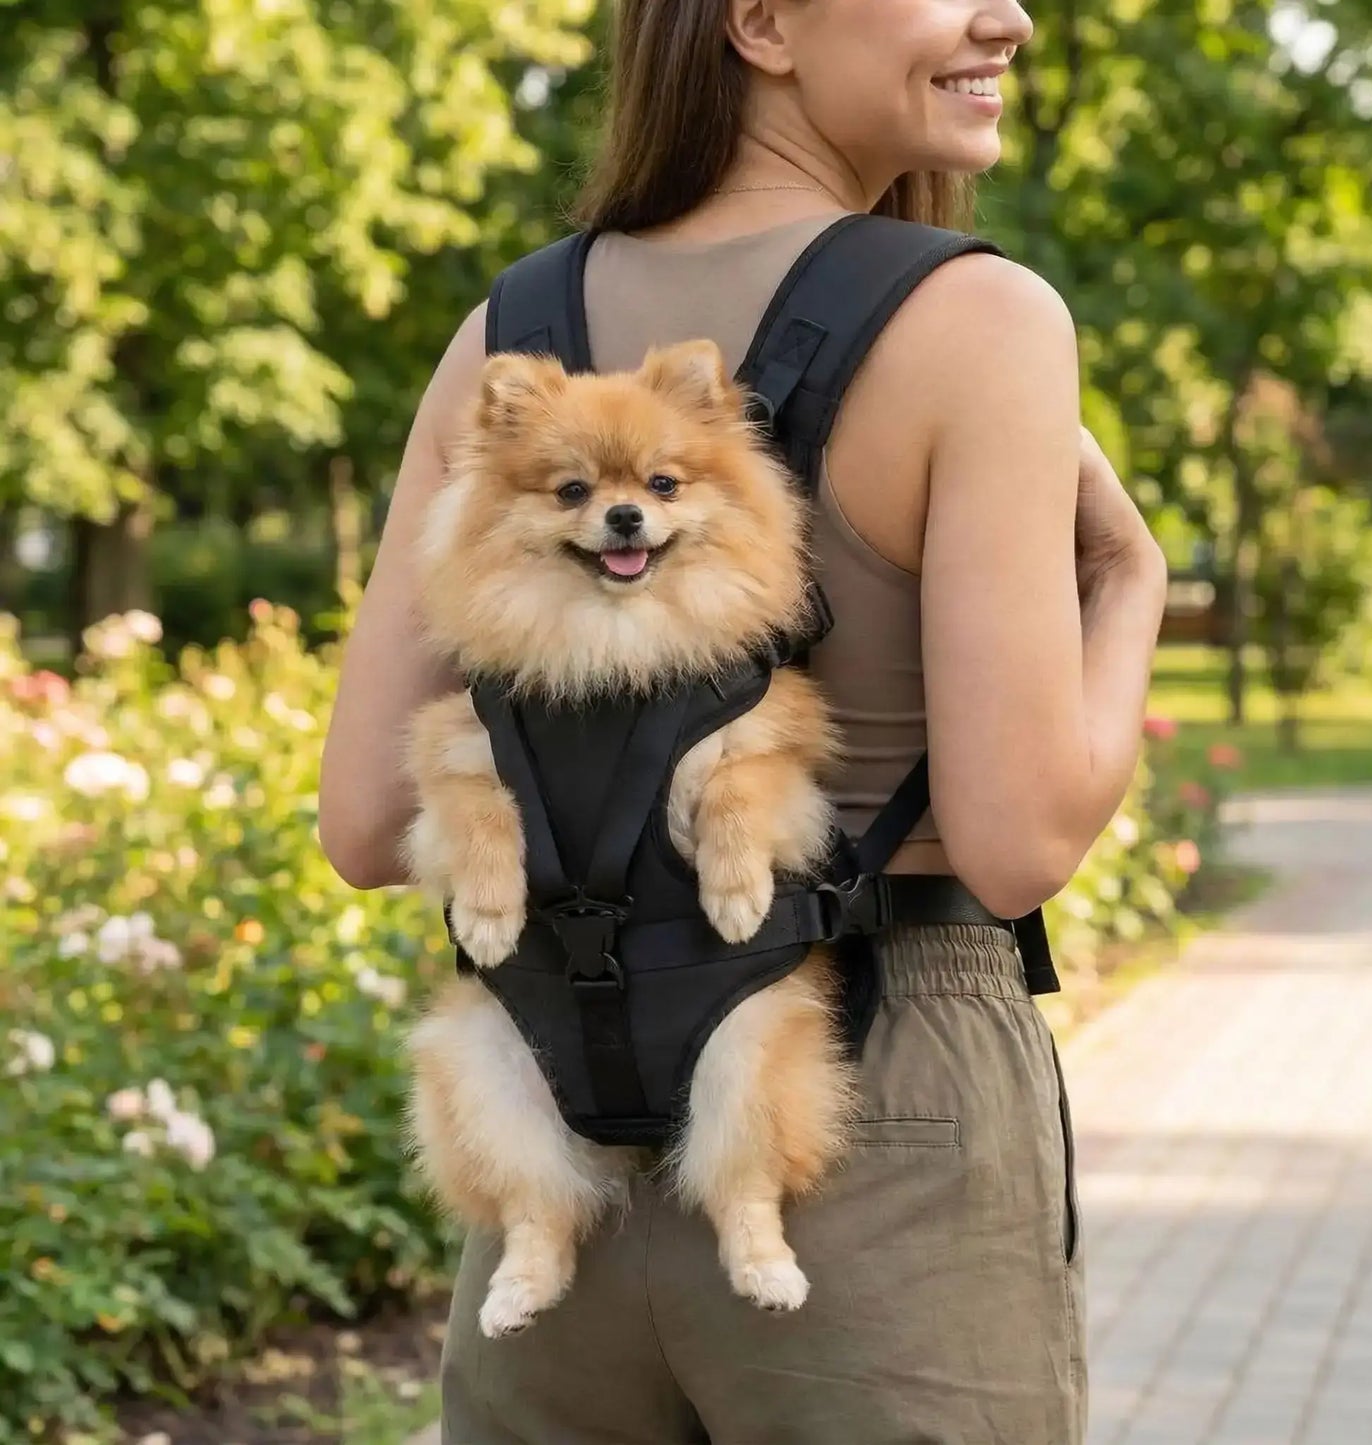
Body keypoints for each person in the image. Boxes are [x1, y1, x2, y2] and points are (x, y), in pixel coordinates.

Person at [318, 1, 1169, 1440]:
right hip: (861, 1092)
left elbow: (356, 825)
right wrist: (1129, 578)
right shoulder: (980, 319)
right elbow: (1018, 838)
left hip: (561, 1098)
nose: (1008, 14)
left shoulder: (504, 338)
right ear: (761, 22)